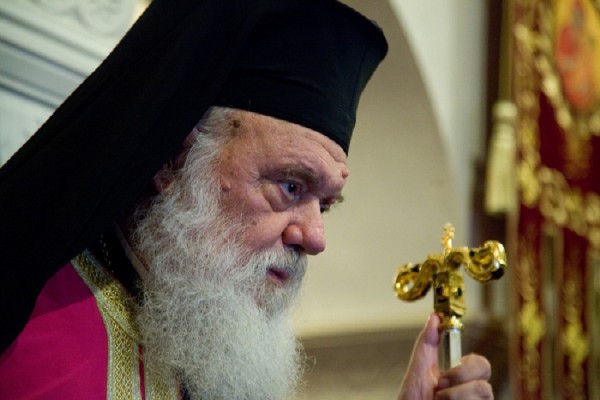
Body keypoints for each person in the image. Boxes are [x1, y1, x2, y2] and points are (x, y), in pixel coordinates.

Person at [0, 0, 493, 398]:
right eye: (291, 186)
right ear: (174, 159)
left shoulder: (202, 341)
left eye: (325, 204)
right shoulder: (25, 328)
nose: (315, 238)